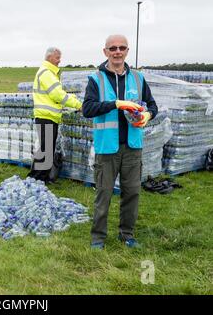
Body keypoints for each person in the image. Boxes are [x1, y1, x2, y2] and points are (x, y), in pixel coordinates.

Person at [82, 35, 158, 250]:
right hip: (107, 149)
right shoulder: (96, 79)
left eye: (121, 48)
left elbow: (152, 106)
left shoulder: (138, 78)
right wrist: (115, 104)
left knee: (132, 192)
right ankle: (98, 237)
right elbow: (87, 109)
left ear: (127, 51)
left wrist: (147, 116)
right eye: (112, 48)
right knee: (104, 193)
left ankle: (127, 235)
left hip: (133, 147)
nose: (117, 51)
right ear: (105, 52)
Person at [28, 47, 82, 183]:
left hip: (49, 116)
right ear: (50, 57)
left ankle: (39, 179)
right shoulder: (46, 73)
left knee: (46, 149)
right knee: (46, 150)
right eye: (57, 57)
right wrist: (78, 104)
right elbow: (57, 95)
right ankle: (36, 179)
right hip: (46, 116)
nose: (59, 60)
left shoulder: (49, 73)